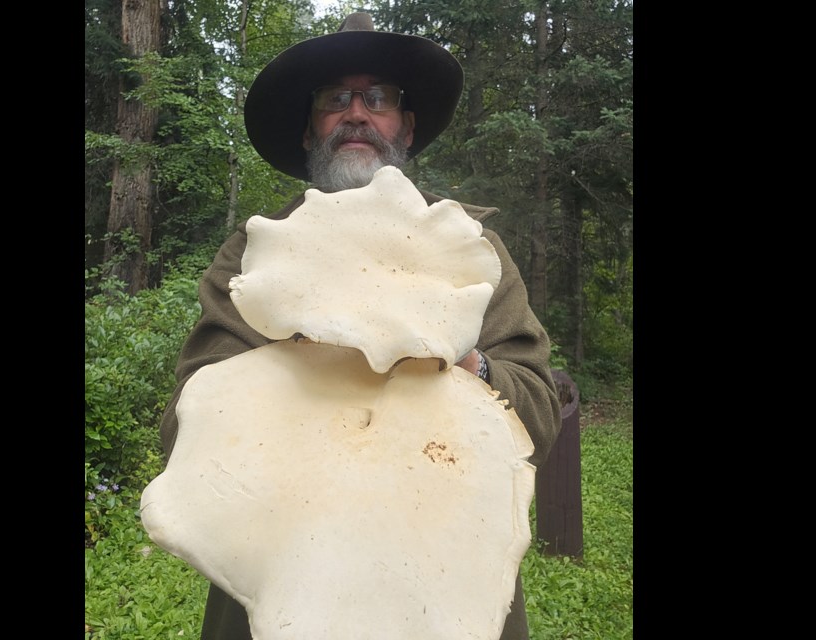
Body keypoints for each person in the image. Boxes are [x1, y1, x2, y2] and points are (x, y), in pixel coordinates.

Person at [159, 12, 562, 640]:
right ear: (307, 129)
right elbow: (187, 420)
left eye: (378, 97)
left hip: (446, 579)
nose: (357, 113)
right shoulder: (253, 256)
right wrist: (304, 340)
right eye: (334, 99)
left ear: (406, 125)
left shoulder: (472, 252)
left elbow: (536, 408)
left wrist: (466, 362)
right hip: (287, 583)